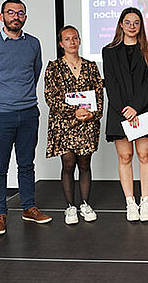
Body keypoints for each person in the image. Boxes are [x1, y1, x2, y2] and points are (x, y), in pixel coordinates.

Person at [0, 0, 52, 235]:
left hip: (29, 113)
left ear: (25, 18)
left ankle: (29, 208)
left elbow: (35, 72)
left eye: (20, 13)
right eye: (11, 12)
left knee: (26, 164)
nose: (15, 16)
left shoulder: (33, 44)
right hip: (0, 116)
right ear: (2, 17)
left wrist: (21, 98)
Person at [102, 7, 148, 222]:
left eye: (136, 22)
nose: (132, 26)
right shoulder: (108, 51)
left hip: (144, 109)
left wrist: (136, 108)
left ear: (141, 26)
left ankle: (145, 201)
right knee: (125, 157)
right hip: (119, 111)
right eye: (127, 22)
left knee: (144, 156)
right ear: (120, 24)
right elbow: (111, 83)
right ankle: (130, 202)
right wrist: (124, 110)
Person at [44, 25, 104, 225]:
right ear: (61, 44)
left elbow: (99, 94)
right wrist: (73, 112)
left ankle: (85, 204)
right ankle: (70, 207)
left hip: (87, 123)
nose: (72, 42)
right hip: (64, 124)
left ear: (79, 41)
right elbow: (50, 97)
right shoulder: (53, 67)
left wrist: (91, 113)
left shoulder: (91, 66)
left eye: (75, 38)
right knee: (68, 164)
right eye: (67, 39)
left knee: (85, 164)